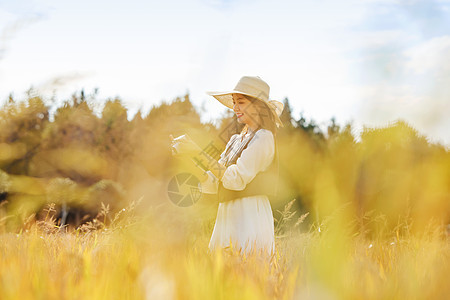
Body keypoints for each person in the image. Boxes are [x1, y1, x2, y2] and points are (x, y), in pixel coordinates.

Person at [170, 76, 284, 256]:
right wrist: (189, 155)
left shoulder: (264, 138)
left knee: (249, 271)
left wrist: (197, 151)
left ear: (257, 106)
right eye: (233, 102)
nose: (235, 108)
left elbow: (235, 180)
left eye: (241, 102)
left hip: (250, 214)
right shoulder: (235, 140)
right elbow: (214, 182)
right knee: (224, 274)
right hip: (228, 213)